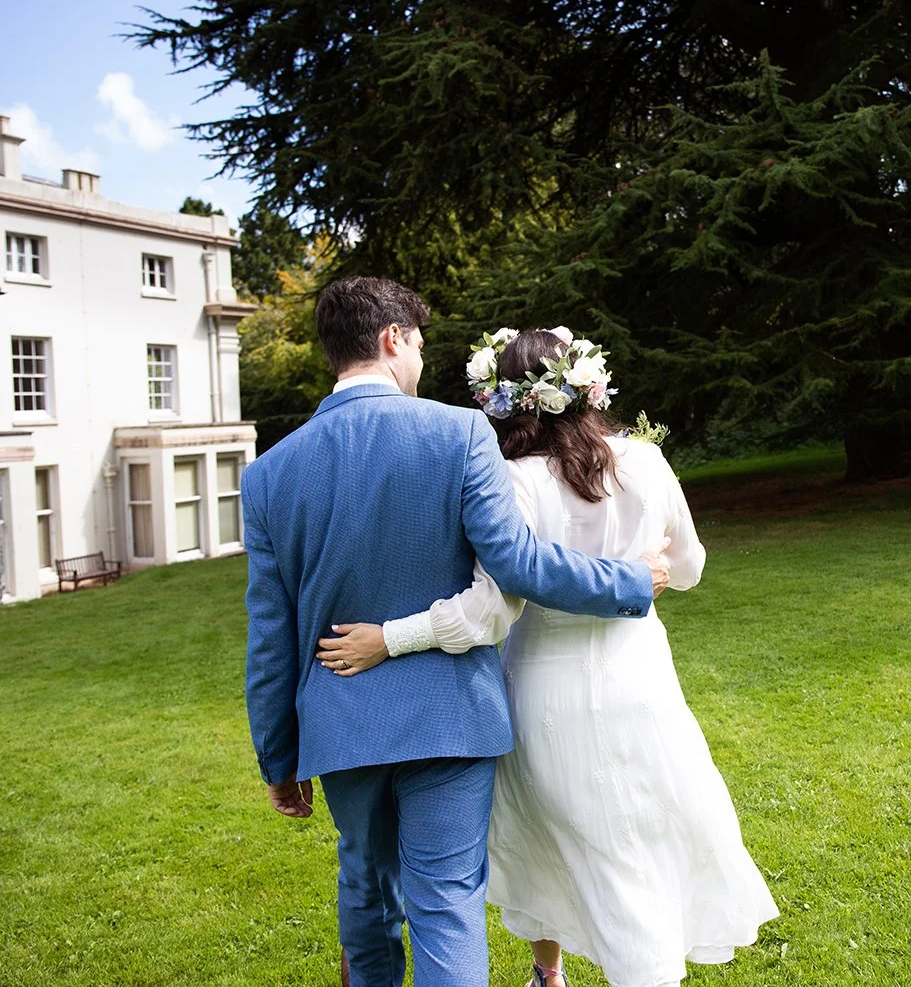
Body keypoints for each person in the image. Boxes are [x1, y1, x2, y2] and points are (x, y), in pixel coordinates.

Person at [314, 327, 778, 987]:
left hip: (543, 685)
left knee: (556, 836)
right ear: (588, 386)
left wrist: (388, 638)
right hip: (639, 674)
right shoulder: (643, 462)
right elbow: (691, 566)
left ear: (503, 400)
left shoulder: (513, 479)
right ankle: (556, 975)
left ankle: (577, 973)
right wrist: (641, 573)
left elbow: (488, 609)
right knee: (636, 831)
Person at [241, 278, 671, 987]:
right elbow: (518, 565)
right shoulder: (458, 432)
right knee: (445, 904)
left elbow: (269, 638)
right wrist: (627, 582)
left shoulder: (268, 476)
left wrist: (277, 760)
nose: (418, 360)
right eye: (416, 343)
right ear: (391, 339)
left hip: (342, 727)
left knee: (364, 891)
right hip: (450, 717)